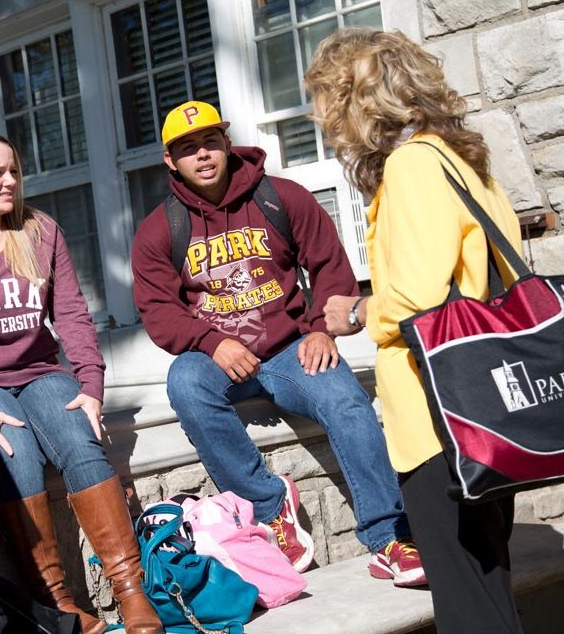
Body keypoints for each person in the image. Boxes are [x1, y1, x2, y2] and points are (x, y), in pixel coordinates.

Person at [130, 99, 425, 585]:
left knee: (347, 401)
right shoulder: (160, 229)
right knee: (185, 383)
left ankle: (389, 535)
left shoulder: (282, 198)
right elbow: (159, 310)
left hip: (291, 348)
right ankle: (270, 508)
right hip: (222, 358)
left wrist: (318, 328)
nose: (201, 155)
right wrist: (209, 341)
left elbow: (330, 265)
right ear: (170, 161)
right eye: (187, 149)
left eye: (209, 142)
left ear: (226, 143)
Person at [307, 28, 525, 633]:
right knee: (487, 592)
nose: (328, 124)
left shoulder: (411, 165)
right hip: (483, 410)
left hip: (439, 421)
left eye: (329, 104)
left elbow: (416, 301)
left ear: (357, 101)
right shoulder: (459, 157)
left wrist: (355, 314)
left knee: (467, 606)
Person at [0, 128, 162, 634]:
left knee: (78, 439)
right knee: (14, 447)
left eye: (14, 171)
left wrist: (90, 386)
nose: (11, 182)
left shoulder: (39, 231)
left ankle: (132, 593)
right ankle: (58, 606)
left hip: (40, 374)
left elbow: (71, 314)